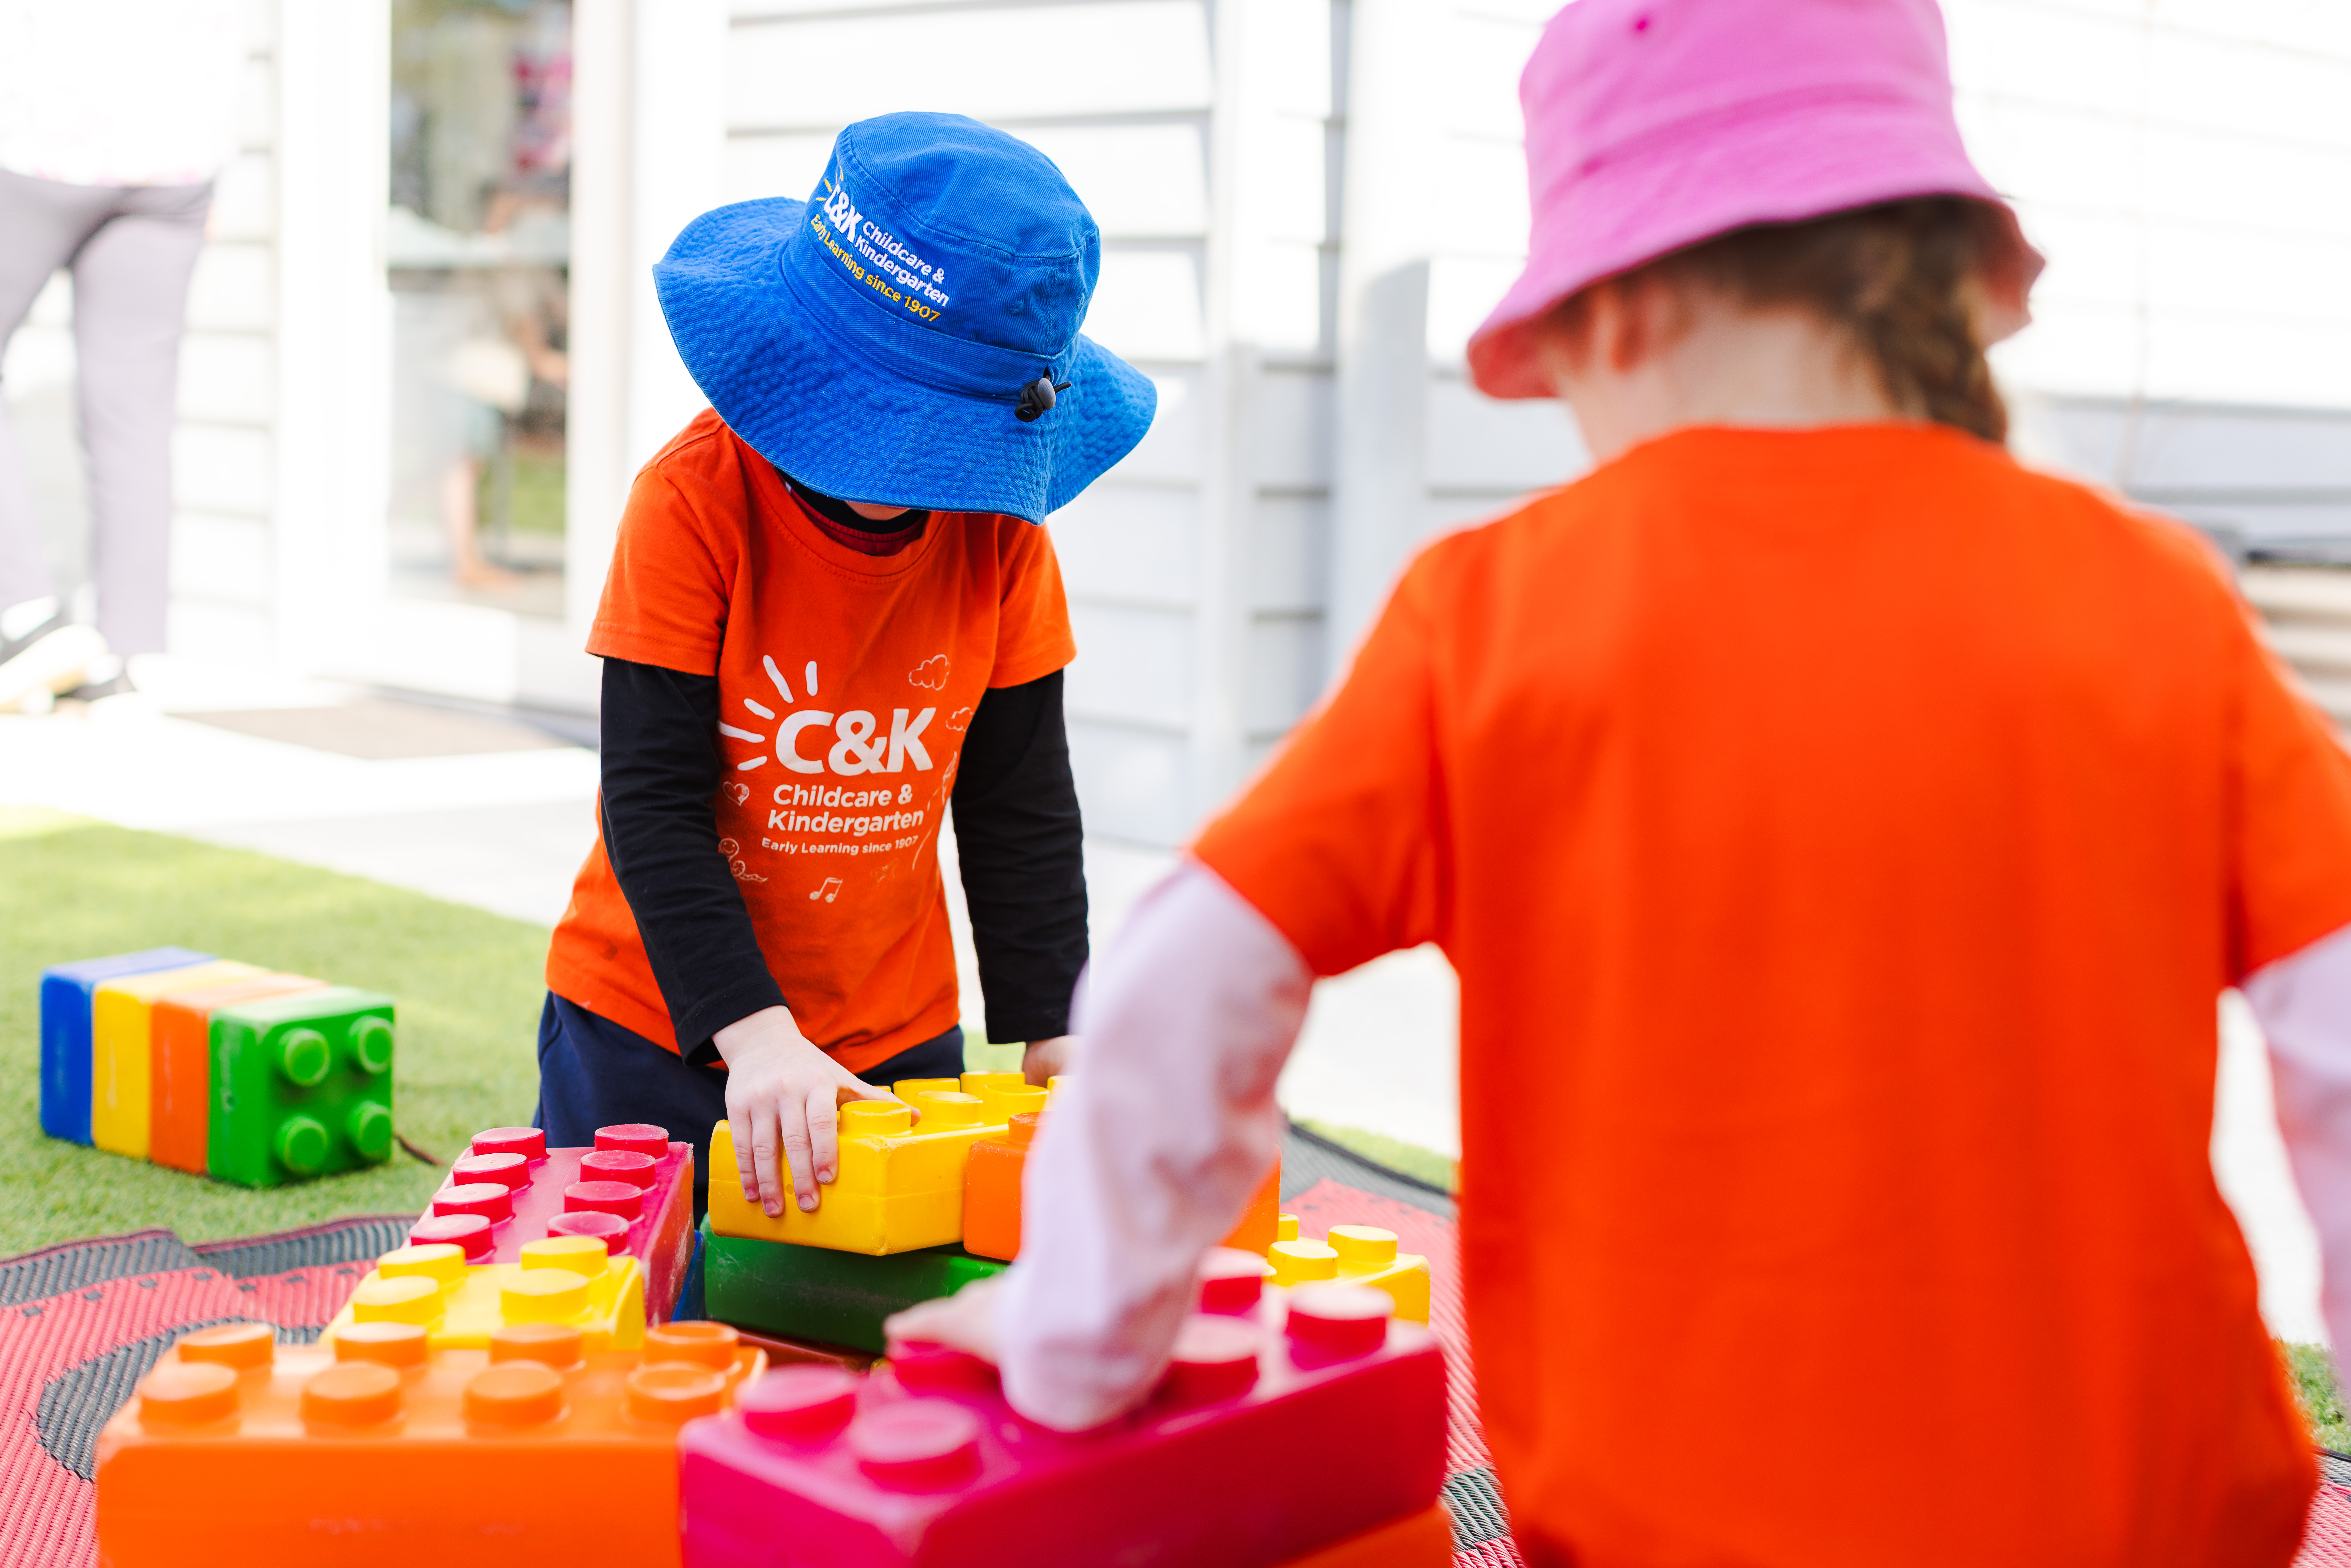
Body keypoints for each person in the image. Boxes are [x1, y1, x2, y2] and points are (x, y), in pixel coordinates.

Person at [888, 2, 2351, 1562]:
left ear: (1608, 314)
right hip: (2143, 1513)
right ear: (1947, 276)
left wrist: (1076, 1337)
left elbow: (1186, 986)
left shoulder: (1497, 617)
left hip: (1672, 1513)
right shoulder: (2151, 600)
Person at [536, 113, 1155, 1222]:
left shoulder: (1005, 539)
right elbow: (651, 800)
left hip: (893, 1030)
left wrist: (1059, 1027)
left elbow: (1018, 802)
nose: (899, 464)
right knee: (634, 1351)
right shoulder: (691, 502)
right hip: (655, 1024)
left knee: (868, 1362)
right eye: (878, 418)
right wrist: (753, 1031)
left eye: (934, 435)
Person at [0, 0, 250, 708]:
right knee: (134, 411)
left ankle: (25, 617)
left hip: (40, 141)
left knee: (131, 407)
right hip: (176, 160)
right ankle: (123, 660)